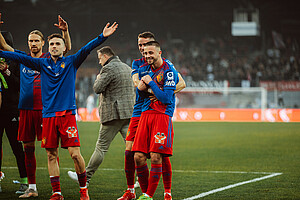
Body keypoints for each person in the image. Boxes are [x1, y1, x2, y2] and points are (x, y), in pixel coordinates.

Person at [0, 21, 118, 200]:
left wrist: (102, 36)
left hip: (67, 115)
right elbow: (17, 57)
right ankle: (56, 192)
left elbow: (86, 48)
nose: (54, 46)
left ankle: (83, 190)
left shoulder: (71, 61)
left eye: (57, 44)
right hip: (47, 116)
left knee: (75, 154)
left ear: (64, 48)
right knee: (50, 154)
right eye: (52, 44)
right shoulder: (41, 64)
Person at [0, 14, 71, 198]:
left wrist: (65, 32)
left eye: (36, 41)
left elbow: (67, 48)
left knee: (51, 151)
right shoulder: (23, 58)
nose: (33, 44)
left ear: (42, 43)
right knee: (28, 149)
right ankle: (32, 188)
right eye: (30, 41)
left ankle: (56, 189)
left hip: (45, 111)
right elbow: (6, 47)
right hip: (25, 110)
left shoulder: (48, 59)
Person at [118, 32, 185, 200]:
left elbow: (181, 84)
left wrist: (158, 90)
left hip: (160, 113)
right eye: (140, 46)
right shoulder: (138, 65)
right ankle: (132, 191)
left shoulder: (168, 66)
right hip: (140, 112)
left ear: (156, 48)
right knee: (132, 153)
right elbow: (137, 85)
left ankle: (163, 192)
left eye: (147, 46)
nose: (143, 49)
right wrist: (149, 88)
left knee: (159, 154)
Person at [67, 46, 135, 186]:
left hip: (113, 114)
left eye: (99, 58)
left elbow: (97, 88)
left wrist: (98, 78)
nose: (99, 62)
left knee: (101, 148)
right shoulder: (127, 68)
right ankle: (141, 177)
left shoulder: (108, 68)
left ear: (105, 56)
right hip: (128, 113)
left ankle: (86, 177)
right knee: (132, 148)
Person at [132, 41, 179, 200]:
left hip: (161, 115)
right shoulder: (143, 69)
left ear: (159, 53)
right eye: (145, 53)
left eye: (150, 53)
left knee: (156, 156)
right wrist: (141, 88)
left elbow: (166, 98)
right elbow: (140, 96)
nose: (147, 56)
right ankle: (146, 194)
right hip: (145, 114)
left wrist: (150, 84)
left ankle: (151, 195)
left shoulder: (169, 71)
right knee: (138, 156)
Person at [0, 31, 29, 194]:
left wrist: (7, 72)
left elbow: (20, 86)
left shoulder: (16, 60)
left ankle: (24, 181)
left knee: (17, 148)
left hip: (12, 109)